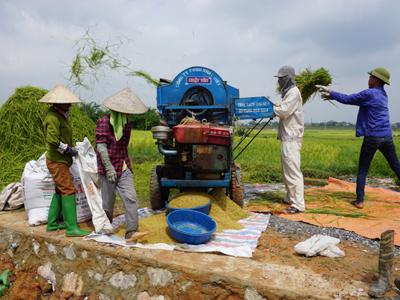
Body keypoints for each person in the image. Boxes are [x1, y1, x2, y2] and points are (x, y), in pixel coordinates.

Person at [317, 67, 400, 209]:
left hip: (372, 137)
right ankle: (359, 199)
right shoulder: (383, 94)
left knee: (363, 169)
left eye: (370, 77)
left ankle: (360, 201)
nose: (368, 80)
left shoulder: (369, 93)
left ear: (376, 80)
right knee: (396, 166)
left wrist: (331, 91)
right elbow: (356, 101)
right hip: (386, 136)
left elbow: (349, 99)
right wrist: (333, 96)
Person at [96, 88, 149, 242]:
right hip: (107, 168)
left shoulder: (127, 125)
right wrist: (109, 167)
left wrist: (127, 166)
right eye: (126, 112)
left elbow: (123, 147)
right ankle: (106, 228)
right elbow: (101, 147)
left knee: (131, 198)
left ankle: (131, 232)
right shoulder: (104, 122)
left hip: (123, 165)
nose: (128, 115)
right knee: (108, 202)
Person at [40, 85, 90, 236]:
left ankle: (52, 224)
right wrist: (68, 150)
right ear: (58, 103)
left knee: (59, 190)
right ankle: (71, 228)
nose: (70, 105)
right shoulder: (52, 117)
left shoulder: (61, 115)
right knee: (68, 190)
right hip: (57, 161)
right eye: (67, 102)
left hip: (61, 160)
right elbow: (52, 140)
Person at [273, 66, 305, 214]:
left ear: (289, 78)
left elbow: (284, 112)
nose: (279, 82)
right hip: (287, 137)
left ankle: (298, 205)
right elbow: (283, 107)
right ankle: (289, 197)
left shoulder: (293, 92)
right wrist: (273, 105)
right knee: (287, 171)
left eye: (282, 79)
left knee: (292, 172)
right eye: (279, 79)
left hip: (291, 138)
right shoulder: (288, 93)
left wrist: (269, 108)